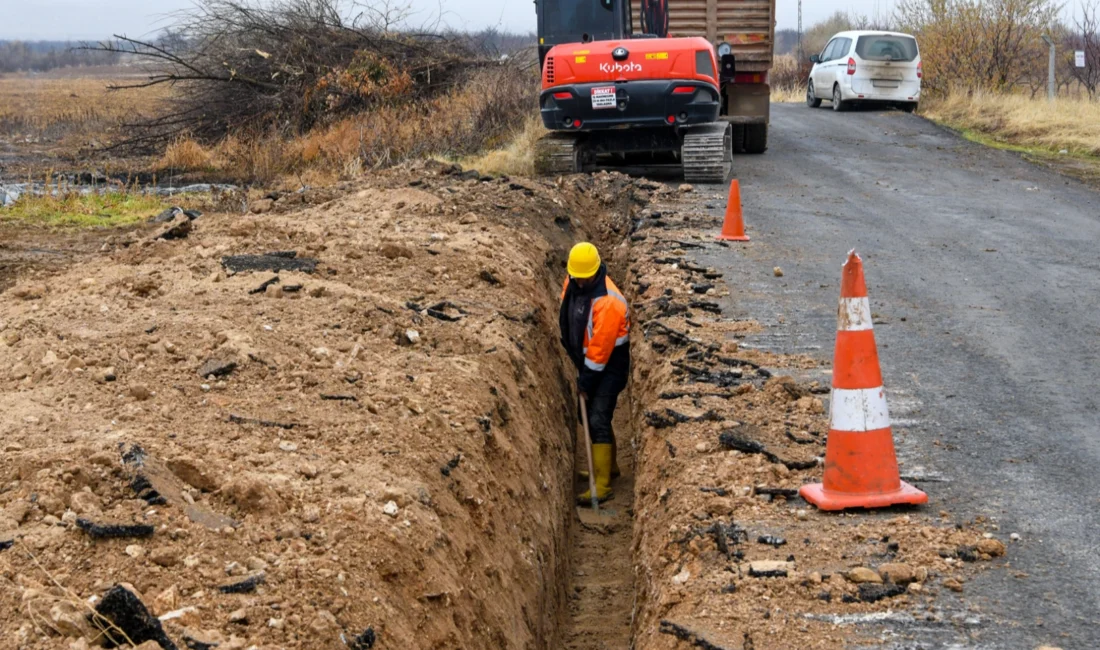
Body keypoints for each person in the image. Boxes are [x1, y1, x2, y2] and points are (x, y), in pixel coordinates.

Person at [559, 242, 631, 504]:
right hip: (589, 362)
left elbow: (600, 350)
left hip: (610, 365)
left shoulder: (609, 302)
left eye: (583, 278)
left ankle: (602, 484)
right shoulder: (575, 282)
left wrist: (585, 381)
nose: (578, 282)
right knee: (588, 415)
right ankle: (606, 467)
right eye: (575, 278)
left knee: (598, 416)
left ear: (596, 271)